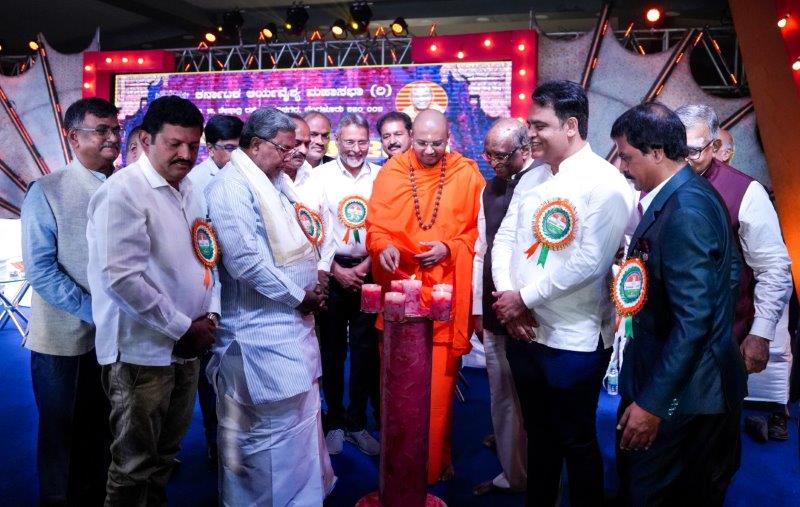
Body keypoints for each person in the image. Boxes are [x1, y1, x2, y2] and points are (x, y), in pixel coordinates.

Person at [491, 80, 633, 506]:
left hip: (574, 341)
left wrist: (523, 299)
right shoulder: (532, 176)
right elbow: (505, 238)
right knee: (539, 436)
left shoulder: (606, 183)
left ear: (571, 126)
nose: (530, 134)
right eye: (530, 124)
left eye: (540, 125)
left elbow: (590, 262)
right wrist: (510, 299)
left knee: (576, 440)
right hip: (523, 332)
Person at [611, 102, 748, 505]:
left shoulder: (686, 209)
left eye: (627, 156)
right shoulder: (687, 193)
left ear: (656, 152)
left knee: (653, 493)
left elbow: (693, 321)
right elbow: (728, 272)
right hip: (681, 379)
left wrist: (654, 403)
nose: (621, 166)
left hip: (683, 393)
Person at [86, 95, 219, 505]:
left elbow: (206, 255)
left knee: (165, 457)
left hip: (188, 347)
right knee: (133, 466)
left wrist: (210, 316)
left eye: (193, 145)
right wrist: (183, 328)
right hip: (140, 354)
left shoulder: (191, 189)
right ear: (146, 140)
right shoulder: (123, 192)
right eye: (175, 144)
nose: (186, 155)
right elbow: (120, 279)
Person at [204, 108, 328, 505]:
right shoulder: (231, 187)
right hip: (257, 332)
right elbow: (244, 263)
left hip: (291, 327)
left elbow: (304, 238)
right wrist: (300, 296)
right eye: (285, 149)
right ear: (256, 145)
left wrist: (315, 276)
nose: (294, 156)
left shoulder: (275, 181)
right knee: (263, 436)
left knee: (298, 425)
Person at [367, 108, 484, 484]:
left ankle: (432, 466)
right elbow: (376, 226)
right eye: (421, 143)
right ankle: (400, 464)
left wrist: (449, 248)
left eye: (437, 143)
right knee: (399, 384)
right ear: (410, 136)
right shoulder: (393, 172)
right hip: (401, 291)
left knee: (438, 391)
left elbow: (478, 233)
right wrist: (382, 245)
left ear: (449, 138)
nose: (430, 150)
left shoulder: (466, 173)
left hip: (446, 293)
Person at [21, 97, 119, 506]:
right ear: (73, 137)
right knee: (64, 435)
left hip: (119, 338)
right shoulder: (48, 190)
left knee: (105, 431)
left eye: (116, 129)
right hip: (64, 340)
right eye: (102, 131)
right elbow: (41, 269)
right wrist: (95, 311)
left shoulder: (126, 185)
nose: (113, 138)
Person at [676, 104, 792, 439]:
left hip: (723, 339)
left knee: (712, 440)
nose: (683, 159)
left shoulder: (745, 192)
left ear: (715, 146)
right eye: (675, 148)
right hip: (671, 339)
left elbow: (773, 267)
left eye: (693, 151)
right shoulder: (662, 179)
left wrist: (761, 334)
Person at [472, 118, 549, 496]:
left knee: (536, 400)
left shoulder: (547, 182)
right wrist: (478, 307)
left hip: (533, 312)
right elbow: (482, 249)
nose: (493, 162)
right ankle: (513, 473)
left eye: (501, 156)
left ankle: (540, 474)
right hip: (494, 308)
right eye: (488, 154)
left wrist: (523, 303)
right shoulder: (490, 187)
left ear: (525, 149)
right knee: (501, 396)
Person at [311, 113, 382, 456]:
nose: (356, 149)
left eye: (362, 142)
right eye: (349, 141)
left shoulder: (381, 176)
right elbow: (313, 227)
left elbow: (386, 225)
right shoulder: (319, 177)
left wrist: (369, 264)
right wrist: (334, 268)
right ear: (337, 141)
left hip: (370, 271)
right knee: (333, 350)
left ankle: (357, 422)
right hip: (332, 270)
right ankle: (335, 421)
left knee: (366, 351)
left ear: (370, 143)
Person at [281, 111, 337, 494]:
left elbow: (326, 233)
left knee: (309, 381)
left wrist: (321, 271)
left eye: (307, 142)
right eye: (296, 142)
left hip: (312, 295)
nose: (303, 149)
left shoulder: (315, 180)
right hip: (278, 303)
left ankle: (312, 477)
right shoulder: (263, 181)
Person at [188, 114, 244, 192]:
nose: (238, 154)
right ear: (211, 149)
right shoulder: (194, 181)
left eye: (242, 148)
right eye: (230, 148)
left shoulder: (250, 172)